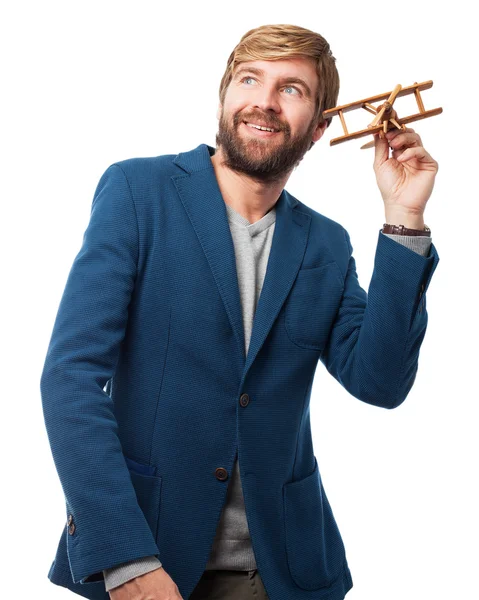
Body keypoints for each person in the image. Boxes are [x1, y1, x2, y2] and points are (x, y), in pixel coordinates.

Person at [41, 23, 440, 600]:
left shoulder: (324, 244)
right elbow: (70, 377)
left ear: (321, 126)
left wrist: (405, 219)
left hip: (285, 570)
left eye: (292, 89)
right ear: (226, 95)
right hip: (148, 557)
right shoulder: (138, 191)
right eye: (250, 78)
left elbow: (380, 382)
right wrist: (126, 560)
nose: (265, 101)